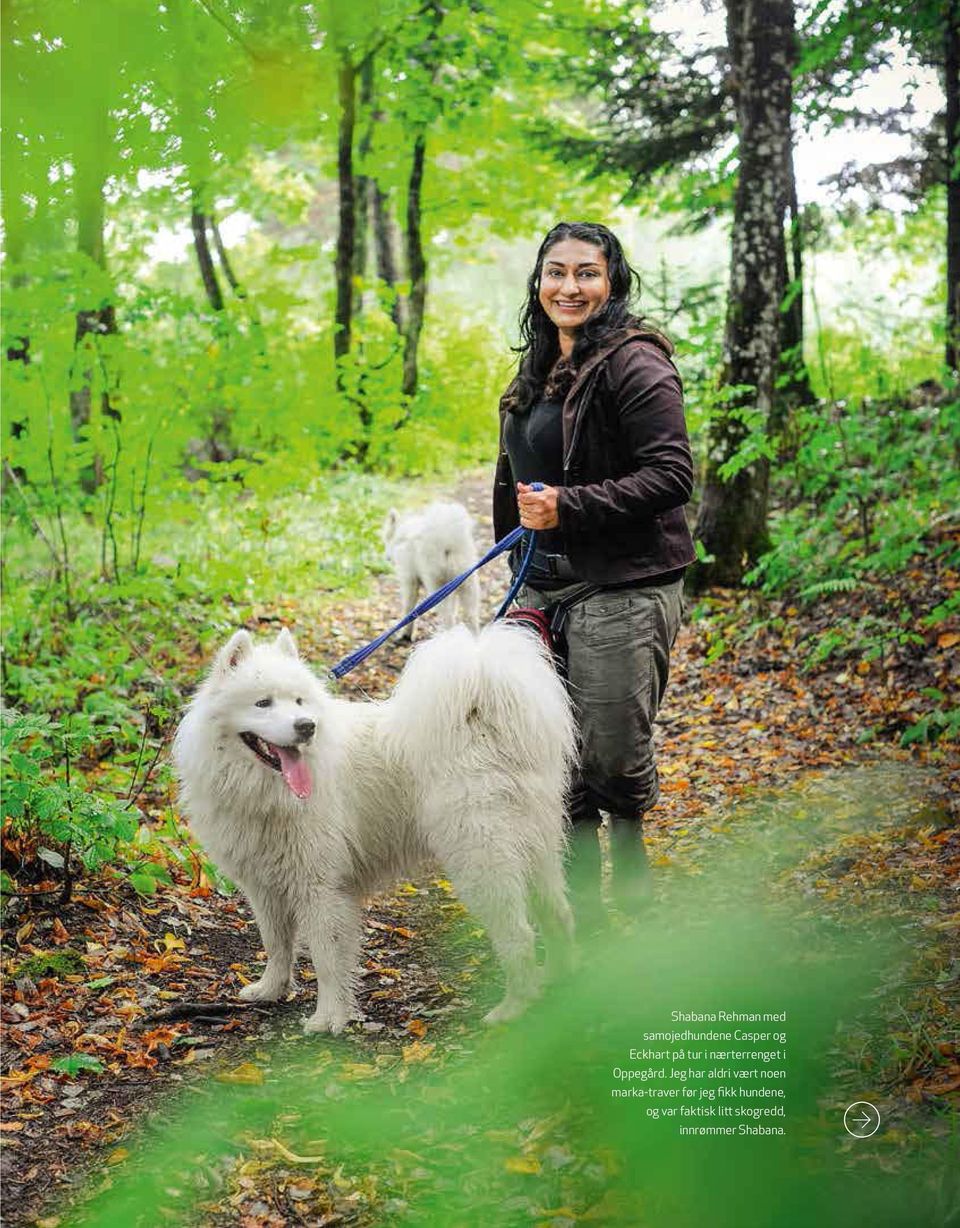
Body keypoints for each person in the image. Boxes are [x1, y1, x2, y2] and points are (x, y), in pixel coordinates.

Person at [493, 221, 696, 925]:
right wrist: (513, 562)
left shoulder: (635, 362)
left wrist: (569, 507)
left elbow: (672, 476)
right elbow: (515, 480)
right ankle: (578, 904)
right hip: (543, 586)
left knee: (610, 748)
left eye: (586, 273)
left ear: (612, 281)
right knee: (555, 751)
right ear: (538, 280)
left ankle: (633, 869)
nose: (569, 287)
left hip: (624, 582)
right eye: (556, 272)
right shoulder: (538, 363)